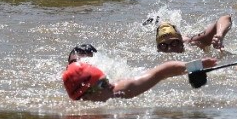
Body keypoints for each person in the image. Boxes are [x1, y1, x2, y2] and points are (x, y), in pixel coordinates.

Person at [62, 43, 217, 102]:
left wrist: (194, 65)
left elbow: (160, 72)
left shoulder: (121, 91)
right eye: (103, 83)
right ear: (88, 94)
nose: (110, 85)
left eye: (107, 80)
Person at [153, 14, 233, 53]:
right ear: (158, 48)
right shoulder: (157, 52)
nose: (170, 49)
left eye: (174, 43)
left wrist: (219, 34)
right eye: (163, 45)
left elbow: (226, 18)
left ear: (181, 41)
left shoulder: (193, 43)